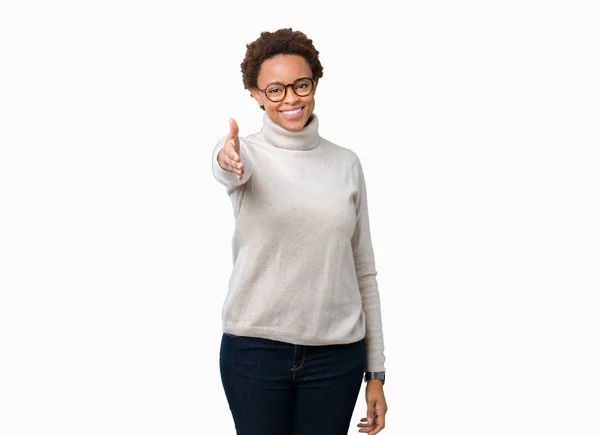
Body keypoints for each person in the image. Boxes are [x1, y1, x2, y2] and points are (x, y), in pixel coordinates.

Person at [211, 28, 388, 435]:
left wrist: (375, 371)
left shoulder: (346, 164)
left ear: (314, 84)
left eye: (300, 85)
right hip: (254, 351)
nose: (290, 98)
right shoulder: (245, 154)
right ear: (256, 95)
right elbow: (225, 168)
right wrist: (226, 157)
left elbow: (364, 270)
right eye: (274, 90)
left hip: (337, 357)